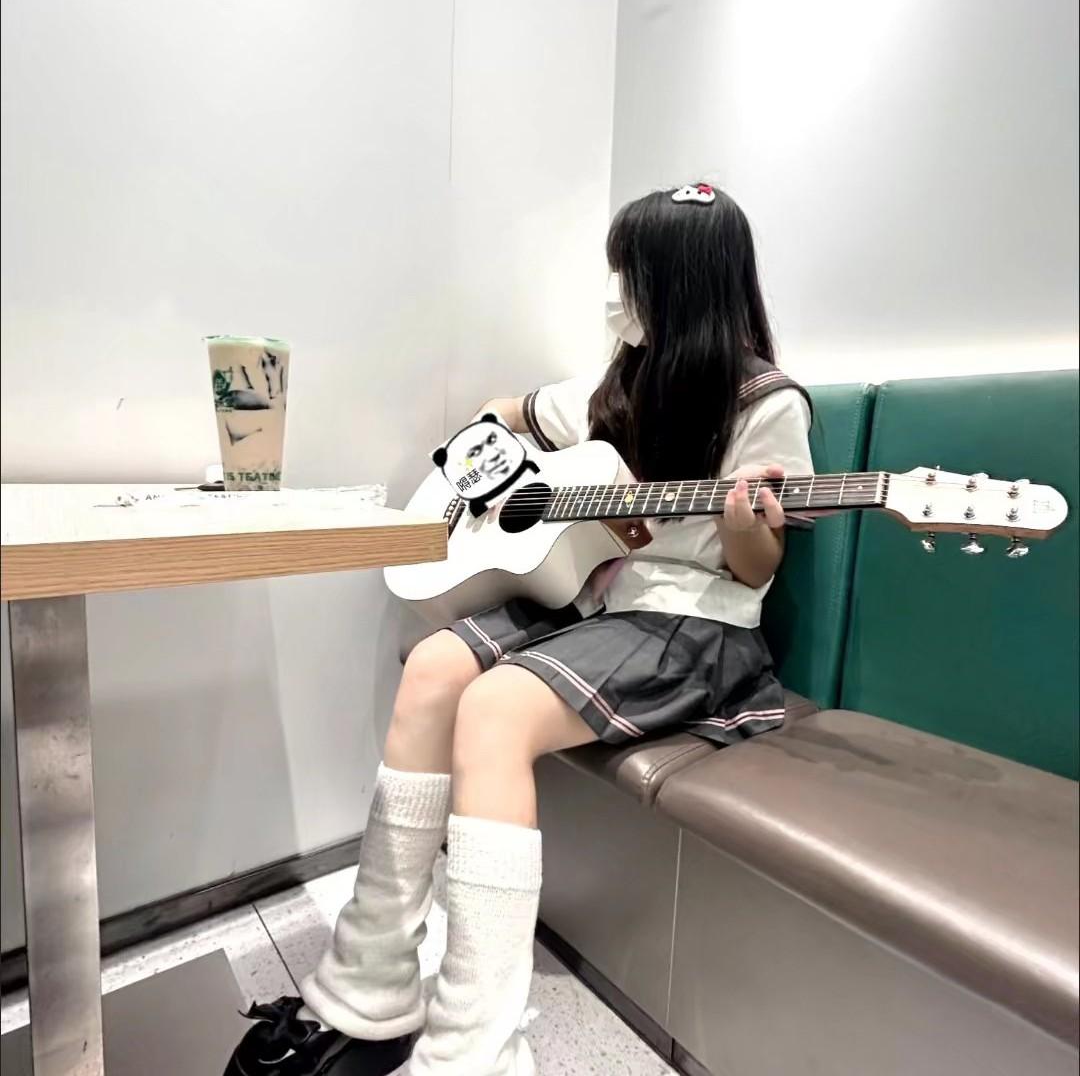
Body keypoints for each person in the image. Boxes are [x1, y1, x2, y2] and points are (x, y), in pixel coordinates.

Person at [226, 183, 814, 1076]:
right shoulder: (619, 382)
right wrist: (484, 474)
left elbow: (755, 567)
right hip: (597, 603)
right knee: (434, 666)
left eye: (629, 274)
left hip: (698, 626)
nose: (614, 294)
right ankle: (370, 985)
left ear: (682, 283)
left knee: (495, 710)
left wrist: (745, 522)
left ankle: (476, 1050)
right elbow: (507, 414)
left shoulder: (765, 402)